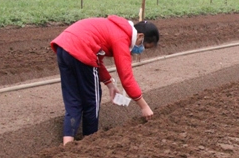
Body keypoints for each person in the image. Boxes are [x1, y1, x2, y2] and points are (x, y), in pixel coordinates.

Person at [51, 16, 160, 145]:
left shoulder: (114, 28)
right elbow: (127, 78)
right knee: (92, 101)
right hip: (81, 50)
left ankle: (67, 144)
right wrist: (144, 107)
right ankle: (90, 141)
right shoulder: (122, 38)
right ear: (140, 37)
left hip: (64, 48)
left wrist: (110, 84)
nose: (140, 51)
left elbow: (98, 58)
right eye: (144, 47)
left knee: (73, 100)